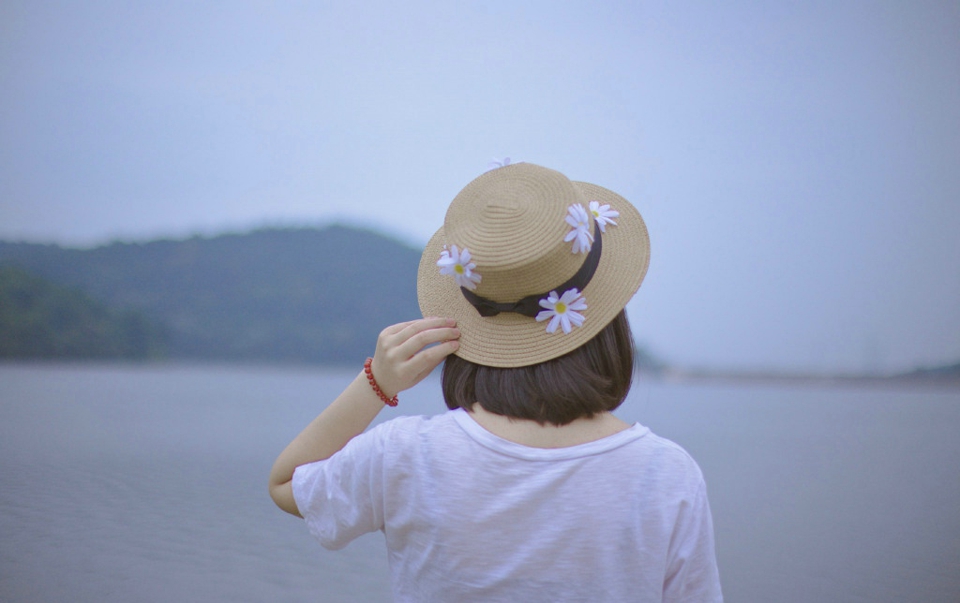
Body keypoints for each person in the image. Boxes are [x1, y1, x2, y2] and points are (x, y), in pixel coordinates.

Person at [269, 162, 723, 602]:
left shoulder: (406, 456)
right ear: (606, 321)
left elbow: (286, 484)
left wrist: (375, 382)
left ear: (468, 321)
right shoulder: (665, 474)